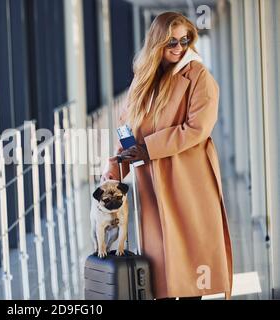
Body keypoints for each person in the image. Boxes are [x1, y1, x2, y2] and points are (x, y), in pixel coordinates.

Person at [101, 12, 233, 300]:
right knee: (159, 271)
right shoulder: (143, 78)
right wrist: (112, 175)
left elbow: (196, 128)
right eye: (171, 41)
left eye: (185, 40)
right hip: (151, 185)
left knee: (190, 266)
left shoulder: (198, 76)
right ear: (157, 42)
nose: (179, 47)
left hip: (189, 180)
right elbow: (125, 128)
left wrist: (148, 149)